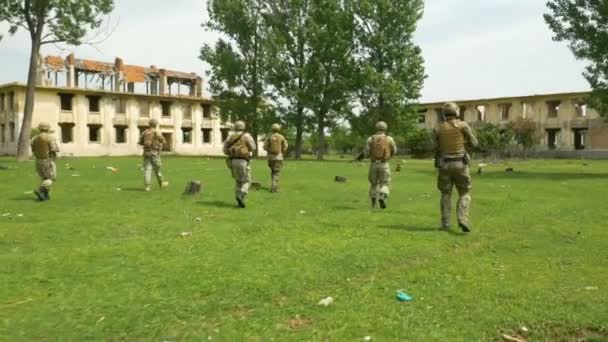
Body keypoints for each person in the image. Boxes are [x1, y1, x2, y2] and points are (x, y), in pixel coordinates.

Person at [434, 102, 479, 232]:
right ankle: (462, 219)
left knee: (445, 194)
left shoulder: (438, 128)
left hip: (444, 164)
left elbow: (435, 147)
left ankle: (445, 223)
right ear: (456, 112)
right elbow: (474, 143)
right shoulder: (463, 125)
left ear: (444, 114)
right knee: (464, 192)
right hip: (461, 164)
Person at [223, 120, 256, 208]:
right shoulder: (247, 136)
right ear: (243, 127)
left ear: (235, 127)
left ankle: (239, 203)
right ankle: (241, 194)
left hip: (232, 161)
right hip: (243, 161)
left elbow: (225, 150)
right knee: (247, 181)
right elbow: (253, 147)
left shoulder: (230, 137)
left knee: (238, 181)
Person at [365, 121, 397, 209]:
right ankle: (382, 196)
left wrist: (369, 155)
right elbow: (394, 150)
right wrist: (389, 157)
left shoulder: (370, 139)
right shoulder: (389, 139)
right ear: (385, 128)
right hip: (384, 164)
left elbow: (366, 153)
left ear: (376, 128)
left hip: (373, 164)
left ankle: (373, 204)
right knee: (385, 183)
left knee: (373, 184)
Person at [31, 122, 59, 201]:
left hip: (38, 161)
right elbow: (54, 149)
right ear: (48, 128)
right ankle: (41, 189)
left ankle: (45, 196)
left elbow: (33, 149)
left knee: (44, 178)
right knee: (51, 178)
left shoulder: (34, 138)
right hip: (47, 160)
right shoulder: (50, 138)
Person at [138, 118, 168, 192]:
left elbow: (140, 142)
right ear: (156, 125)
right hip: (155, 153)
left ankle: (147, 187)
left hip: (146, 153)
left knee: (147, 170)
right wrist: (158, 144)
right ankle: (161, 183)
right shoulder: (157, 132)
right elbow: (164, 141)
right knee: (157, 169)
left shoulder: (145, 132)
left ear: (149, 124)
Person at [263, 123, 288, 193]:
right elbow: (286, 146)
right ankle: (274, 188)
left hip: (270, 157)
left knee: (273, 172)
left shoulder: (269, 137)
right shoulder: (281, 137)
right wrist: (281, 151)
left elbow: (264, 146)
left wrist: (269, 150)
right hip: (278, 157)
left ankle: (274, 186)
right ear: (279, 129)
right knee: (276, 173)